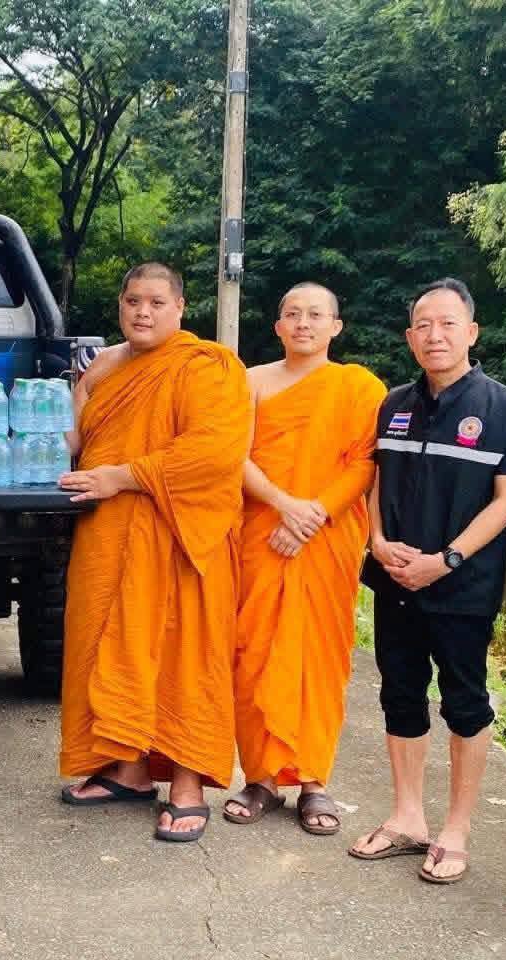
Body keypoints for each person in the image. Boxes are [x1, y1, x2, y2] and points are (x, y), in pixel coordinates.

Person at [348, 278, 506, 884]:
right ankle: (408, 818)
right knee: (400, 693)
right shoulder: (394, 404)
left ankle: (456, 830)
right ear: (410, 337)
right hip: (396, 579)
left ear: (471, 332)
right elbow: (379, 482)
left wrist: (447, 559)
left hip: (462, 586)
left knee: (464, 701)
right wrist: (377, 541)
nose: (435, 335)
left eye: (448, 323)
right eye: (424, 325)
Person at [56, 263, 251, 842]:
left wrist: (121, 476)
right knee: (106, 645)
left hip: (181, 533)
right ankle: (128, 769)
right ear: (120, 305)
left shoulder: (208, 366)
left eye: (156, 302)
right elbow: (75, 439)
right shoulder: (101, 367)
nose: (143, 312)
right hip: (107, 533)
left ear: (180, 308)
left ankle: (187, 786)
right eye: (133, 300)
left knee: (181, 654)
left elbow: (214, 453)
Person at [224, 283, 386, 834]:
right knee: (254, 652)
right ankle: (261, 778)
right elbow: (234, 455)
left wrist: (312, 515)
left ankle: (314, 780)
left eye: (316, 315)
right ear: (277, 326)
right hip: (263, 531)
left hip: (327, 536)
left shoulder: (358, 386)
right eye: (292, 314)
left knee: (320, 656)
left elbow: (364, 462)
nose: (303, 323)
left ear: (335, 326)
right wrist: (284, 505)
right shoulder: (251, 381)